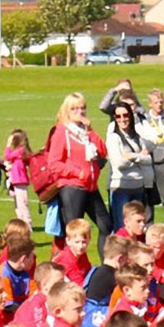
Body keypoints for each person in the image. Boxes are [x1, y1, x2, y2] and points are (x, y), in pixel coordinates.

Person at [47, 93, 111, 256]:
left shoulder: (85, 131)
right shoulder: (62, 131)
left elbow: (103, 151)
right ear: (67, 111)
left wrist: (90, 130)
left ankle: (106, 265)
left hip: (91, 186)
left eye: (82, 108)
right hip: (73, 187)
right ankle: (72, 267)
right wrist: (77, 172)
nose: (79, 112)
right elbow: (53, 163)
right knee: (75, 233)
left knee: (106, 225)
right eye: (74, 109)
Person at [105, 102, 153, 232]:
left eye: (125, 115)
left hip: (138, 187)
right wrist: (139, 158)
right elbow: (119, 163)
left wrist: (132, 156)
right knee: (122, 228)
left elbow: (148, 159)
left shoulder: (137, 136)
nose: (122, 119)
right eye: (118, 116)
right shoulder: (113, 138)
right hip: (121, 188)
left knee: (137, 228)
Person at [139, 88, 164, 226]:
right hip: (148, 163)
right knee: (148, 196)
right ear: (150, 104)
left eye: (161, 102)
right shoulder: (144, 120)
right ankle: (148, 225)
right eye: (156, 102)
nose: (159, 105)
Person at [3, 129, 33, 228]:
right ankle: (22, 223)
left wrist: (7, 145)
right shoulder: (21, 151)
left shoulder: (20, 151)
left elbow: (8, 156)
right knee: (18, 205)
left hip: (19, 181)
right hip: (17, 181)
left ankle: (27, 224)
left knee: (22, 204)